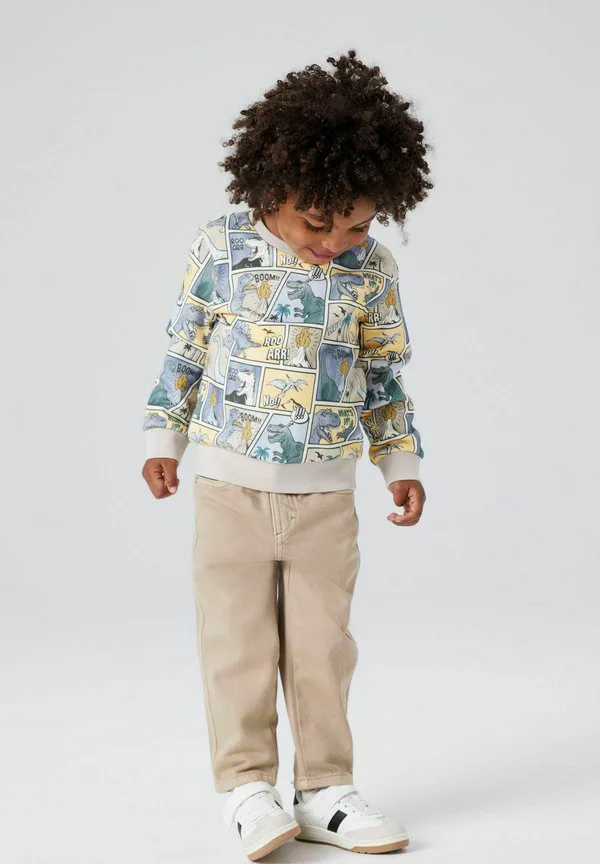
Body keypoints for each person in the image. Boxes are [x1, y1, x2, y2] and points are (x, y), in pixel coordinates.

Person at [141, 48, 432, 861]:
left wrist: (400, 462)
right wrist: (164, 436)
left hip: (325, 498)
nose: (336, 241)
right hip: (227, 490)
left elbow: (384, 374)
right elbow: (184, 350)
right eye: (318, 222)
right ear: (272, 189)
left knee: (322, 647)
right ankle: (246, 787)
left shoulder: (371, 271)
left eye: (357, 225)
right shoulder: (221, 246)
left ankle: (325, 789)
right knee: (235, 642)